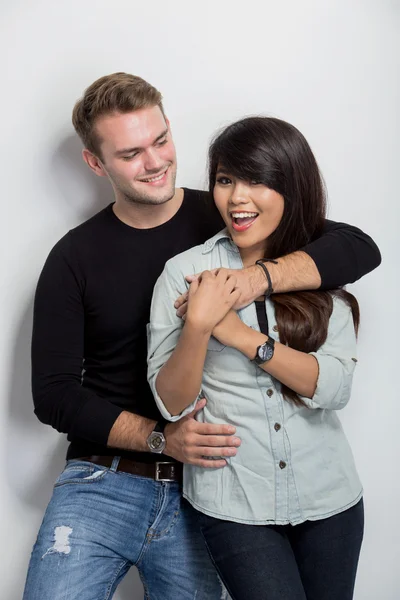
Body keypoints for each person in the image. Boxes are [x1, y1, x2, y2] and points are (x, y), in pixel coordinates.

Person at [23, 72, 379, 600]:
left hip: (213, 484)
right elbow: (53, 395)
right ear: (96, 164)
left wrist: (251, 284)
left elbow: (357, 247)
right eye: (130, 153)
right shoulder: (74, 257)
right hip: (108, 479)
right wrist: (161, 438)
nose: (155, 162)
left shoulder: (234, 216)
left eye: (160, 140)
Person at [148, 116, 369, 600]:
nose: (237, 197)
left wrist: (241, 336)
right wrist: (199, 327)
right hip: (235, 505)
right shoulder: (184, 273)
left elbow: (333, 388)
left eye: (258, 180)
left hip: (330, 497)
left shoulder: (317, 267)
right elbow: (171, 404)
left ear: (292, 186)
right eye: (226, 180)